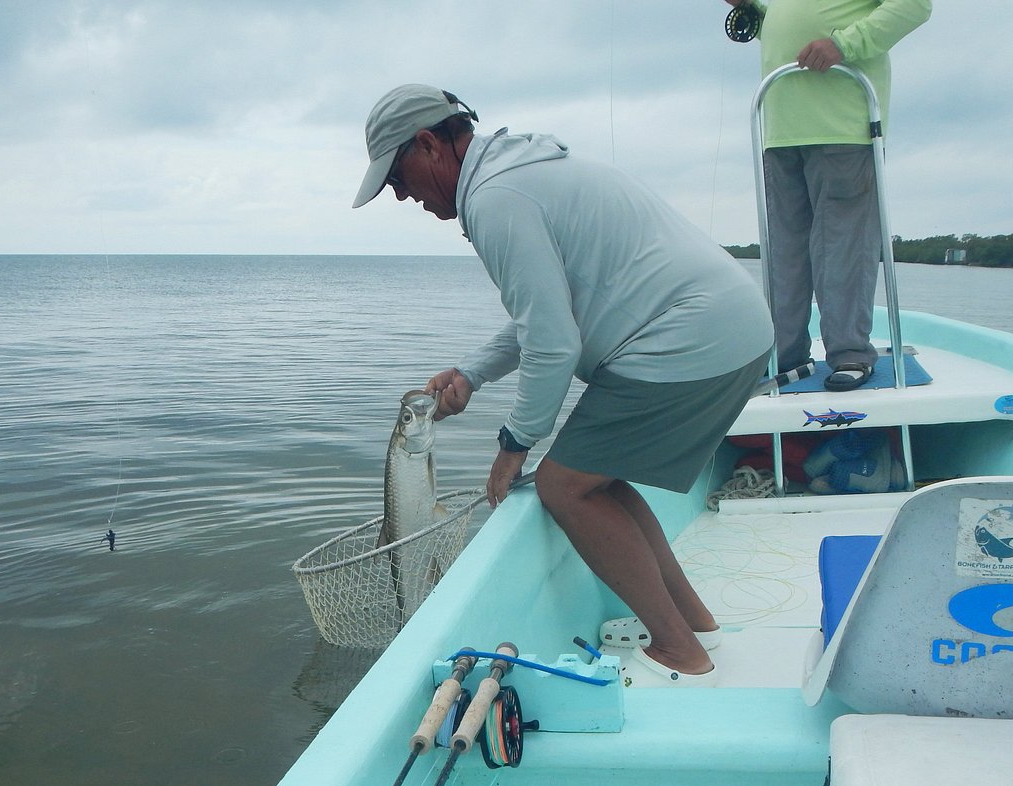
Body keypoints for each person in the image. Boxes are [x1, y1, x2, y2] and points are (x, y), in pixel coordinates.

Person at [353, 85, 774, 686]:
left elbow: (554, 344)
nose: (401, 194)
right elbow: (545, 317)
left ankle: (680, 651)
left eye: (397, 176)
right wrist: (472, 374)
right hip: (728, 328)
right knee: (597, 474)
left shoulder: (497, 198)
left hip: (686, 340)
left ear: (429, 144)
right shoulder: (515, 174)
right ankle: (695, 622)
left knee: (563, 486)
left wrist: (513, 446)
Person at [725, 0, 932, 391]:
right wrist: (754, 8)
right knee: (784, 254)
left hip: (845, 127)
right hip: (780, 128)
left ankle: (850, 353)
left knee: (844, 248)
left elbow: (915, 5)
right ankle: (782, 356)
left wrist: (844, 45)